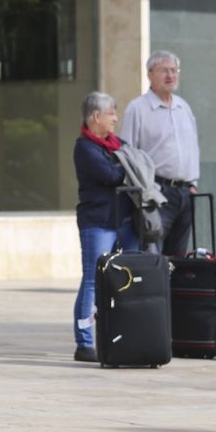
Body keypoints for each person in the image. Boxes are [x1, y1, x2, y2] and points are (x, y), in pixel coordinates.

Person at [72, 91, 141, 363]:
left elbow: (132, 160)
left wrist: (124, 164)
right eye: (111, 113)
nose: (116, 118)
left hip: (123, 222)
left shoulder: (115, 144)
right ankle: (85, 342)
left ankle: (124, 336)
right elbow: (113, 174)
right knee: (92, 280)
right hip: (97, 223)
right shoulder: (85, 148)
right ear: (96, 116)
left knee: (127, 278)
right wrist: (124, 166)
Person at [119, 50, 200, 257]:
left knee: (178, 258)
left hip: (185, 193)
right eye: (164, 70)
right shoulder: (138, 109)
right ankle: (157, 291)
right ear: (150, 74)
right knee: (154, 255)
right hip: (156, 193)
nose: (170, 75)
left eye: (174, 70)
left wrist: (193, 185)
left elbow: (193, 147)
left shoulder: (184, 108)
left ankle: (174, 292)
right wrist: (141, 193)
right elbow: (127, 154)